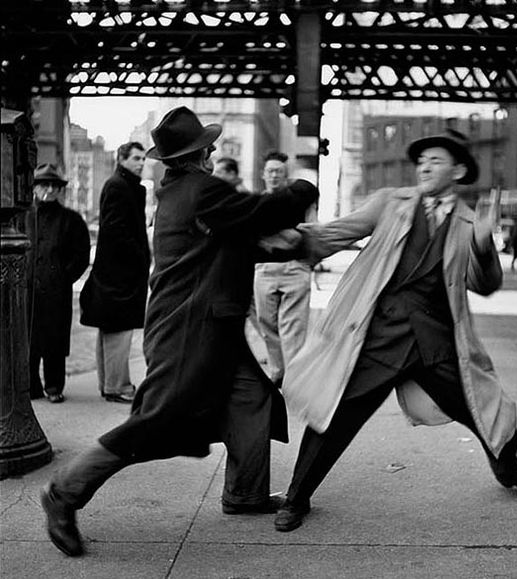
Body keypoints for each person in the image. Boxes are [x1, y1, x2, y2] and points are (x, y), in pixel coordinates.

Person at [40, 106, 319, 557]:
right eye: (208, 146)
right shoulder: (202, 190)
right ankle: (63, 492)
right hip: (188, 327)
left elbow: (233, 242)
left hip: (209, 323)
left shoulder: (180, 191)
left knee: (252, 399)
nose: (213, 151)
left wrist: (290, 246)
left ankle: (245, 494)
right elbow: (263, 213)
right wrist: (303, 186)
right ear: (198, 155)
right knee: (155, 421)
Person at [274, 129, 517, 533]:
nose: (424, 167)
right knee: (334, 418)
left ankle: (512, 472)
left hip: (437, 344)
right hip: (379, 338)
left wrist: (482, 244)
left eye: (435, 161)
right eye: (421, 161)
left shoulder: (468, 221)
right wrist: (289, 240)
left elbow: (485, 283)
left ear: (458, 171)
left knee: (488, 408)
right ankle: (296, 498)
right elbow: (337, 232)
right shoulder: (391, 202)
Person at [79, 142, 151, 403]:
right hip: (121, 275)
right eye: (136, 158)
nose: (141, 163)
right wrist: (139, 256)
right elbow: (116, 230)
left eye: (143, 159)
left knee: (110, 330)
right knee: (119, 331)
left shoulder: (121, 185)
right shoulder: (120, 186)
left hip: (115, 273)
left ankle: (109, 384)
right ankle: (117, 386)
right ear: (121, 158)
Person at [253, 151, 319, 386]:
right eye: (270, 171)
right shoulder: (256, 202)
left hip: (295, 269)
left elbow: (312, 229)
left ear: (286, 175)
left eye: (278, 171)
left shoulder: (300, 199)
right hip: (264, 269)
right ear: (263, 174)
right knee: (266, 324)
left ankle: (294, 377)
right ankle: (278, 371)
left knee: (294, 328)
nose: (274, 176)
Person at [27, 164, 90, 403]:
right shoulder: (24, 217)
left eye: (55, 186)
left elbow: (81, 255)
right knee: (29, 341)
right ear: (35, 188)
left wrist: (63, 277)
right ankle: (31, 387)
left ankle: (54, 386)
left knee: (54, 340)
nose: (50, 190)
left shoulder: (71, 220)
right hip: (27, 291)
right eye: (44, 184)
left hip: (56, 292)